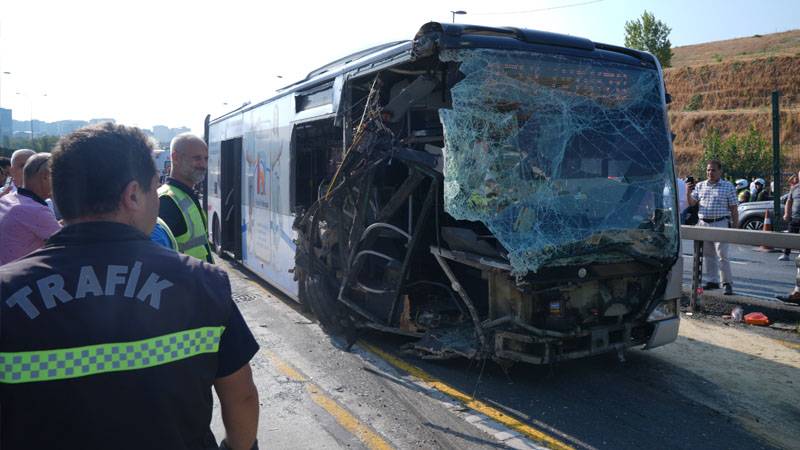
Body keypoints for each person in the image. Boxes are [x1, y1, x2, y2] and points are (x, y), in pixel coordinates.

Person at [0, 123, 259, 450]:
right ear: (134, 194)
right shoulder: (205, 284)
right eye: (155, 187)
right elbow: (243, 395)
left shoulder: (7, 292)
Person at [159, 133, 214, 263]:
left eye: (206, 159)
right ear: (175, 158)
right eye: (197, 158)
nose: (203, 164)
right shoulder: (166, 201)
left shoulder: (186, 195)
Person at [687, 159, 739, 296]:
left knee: (722, 254)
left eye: (713, 170)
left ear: (720, 171)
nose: (710, 172)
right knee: (708, 255)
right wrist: (688, 192)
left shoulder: (728, 186)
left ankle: (727, 283)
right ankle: (712, 281)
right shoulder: (700, 186)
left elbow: (734, 208)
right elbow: (692, 203)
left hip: (720, 223)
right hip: (703, 223)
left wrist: (735, 226)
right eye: (708, 170)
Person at [0, 153, 61, 265]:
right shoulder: (35, 210)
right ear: (45, 177)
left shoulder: (7, 199)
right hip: (19, 279)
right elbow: (68, 241)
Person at [780, 170, 800, 261]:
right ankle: (786, 254)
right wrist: (786, 213)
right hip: (794, 217)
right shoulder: (794, 188)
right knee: (790, 236)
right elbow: (789, 201)